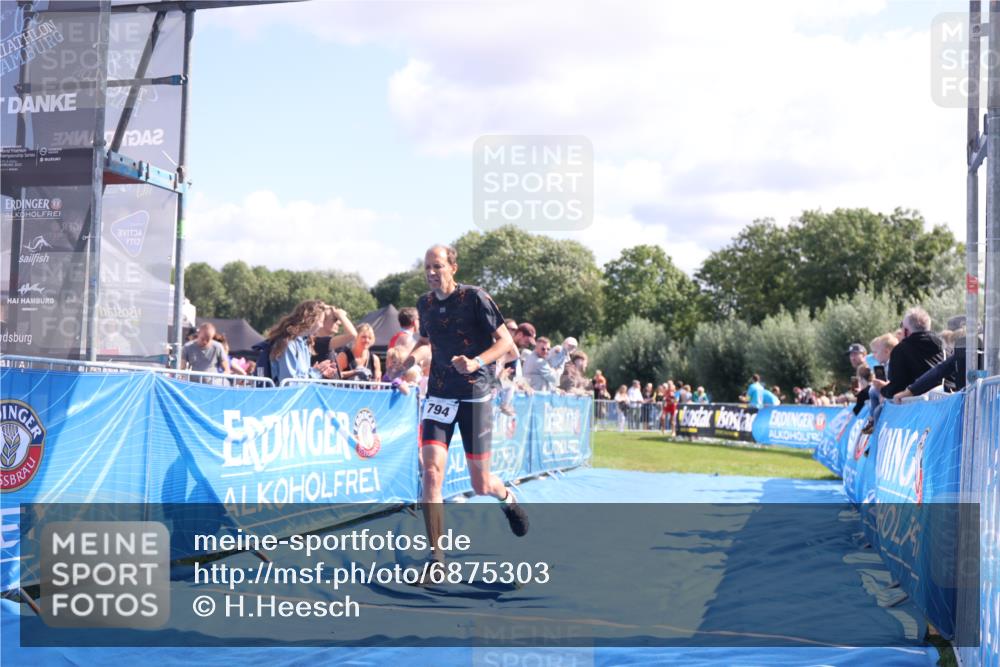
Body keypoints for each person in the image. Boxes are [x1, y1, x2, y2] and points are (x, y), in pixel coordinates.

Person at [403, 244, 528, 570]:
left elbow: (506, 343)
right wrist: (412, 359)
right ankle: (437, 557)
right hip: (439, 395)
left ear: (453, 267)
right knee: (431, 473)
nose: (431, 273)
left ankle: (507, 498)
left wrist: (475, 362)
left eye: (438, 267)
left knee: (480, 483)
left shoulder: (475, 298)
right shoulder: (425, 304)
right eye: (427, 267)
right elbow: (427, 342)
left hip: (475, 396)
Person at [267, 300, 338, 384]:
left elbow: (302, 376)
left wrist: (319, 371)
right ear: (311, 320)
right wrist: (316, 373)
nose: (322, 326)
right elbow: (288, 383)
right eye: (321, 322)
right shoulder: (289, 343)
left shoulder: (305, 343)